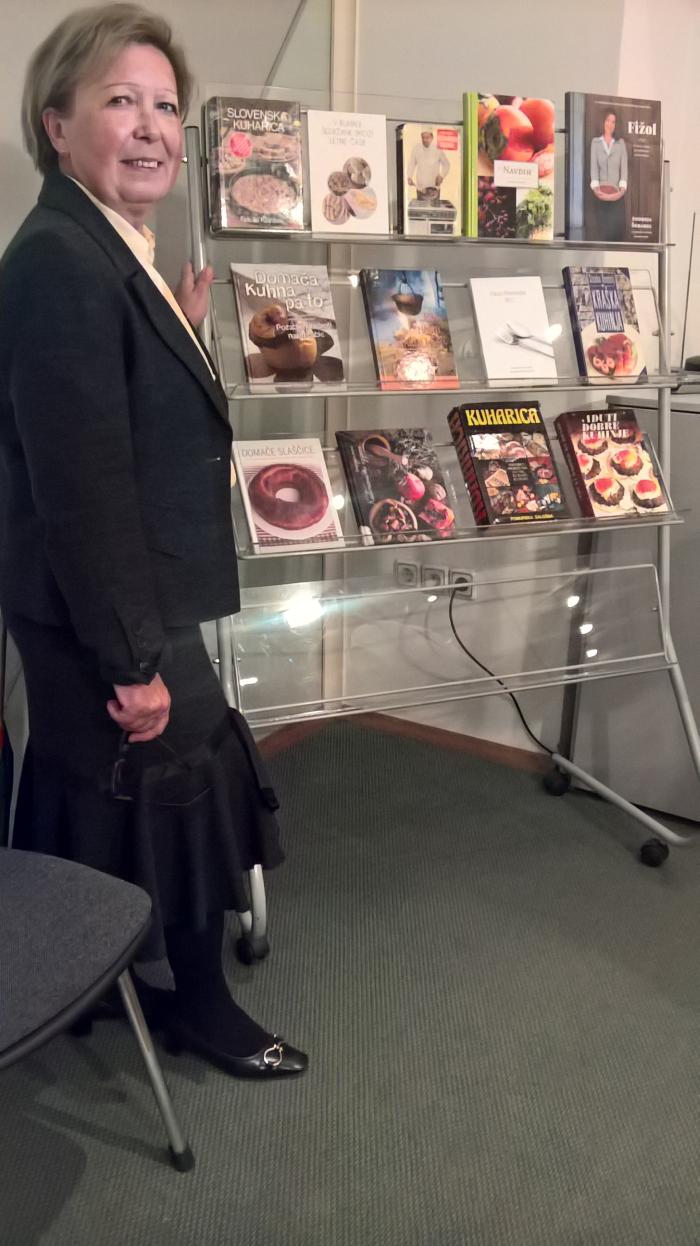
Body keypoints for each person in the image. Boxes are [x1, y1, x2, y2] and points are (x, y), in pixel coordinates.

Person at [0, 3, 307, 1079]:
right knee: (172, 781)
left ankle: (107, 982)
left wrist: (174, 329)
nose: (151, 128)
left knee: (144, 787)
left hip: (121, 593)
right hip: (108, 608)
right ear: (56, 126)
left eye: (166, 106)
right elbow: (80, 487)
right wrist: (132, 660)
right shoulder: (60, 262)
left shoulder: (103, 244)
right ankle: (194, 1005)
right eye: (119, 102)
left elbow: (113, 411)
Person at [589, 110, 628, 242]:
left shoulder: (620, 143)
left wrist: (621, 190)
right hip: (600, 194)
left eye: (613, 122)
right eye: (607, 120)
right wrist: (596, 189)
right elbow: (593, 167)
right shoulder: (595, 143)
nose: (610, 124)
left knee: (616, 232)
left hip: (617, 195)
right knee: (602, 232)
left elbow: (624, 168)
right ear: (602, 121)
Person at [406, 129, 450, 200]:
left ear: (432, 138)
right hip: (421, 189)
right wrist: (409, 177)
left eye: (427, 137)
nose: (425, 140)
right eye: (423, 137)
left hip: (434, 189)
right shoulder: (416, 148)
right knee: (421, 207)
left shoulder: (438, 149)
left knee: (434, 207)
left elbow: (446, 164)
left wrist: (441, 176)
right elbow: (411, 163)